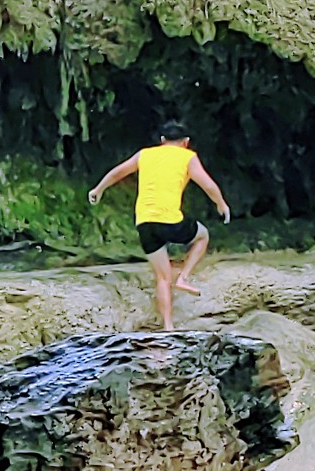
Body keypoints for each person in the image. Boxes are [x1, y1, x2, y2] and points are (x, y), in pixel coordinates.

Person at [88, 120, 230, 333]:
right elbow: (208, 184)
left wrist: (98, 189)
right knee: (202, 236)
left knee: (162, 278)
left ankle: (168, 326)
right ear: (186, 142)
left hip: (144, 223)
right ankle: (183, 277)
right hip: (171, 221)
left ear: (162, 141)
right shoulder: (187, 156)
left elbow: (118, 172)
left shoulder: (145, 154)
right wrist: (221, 204)